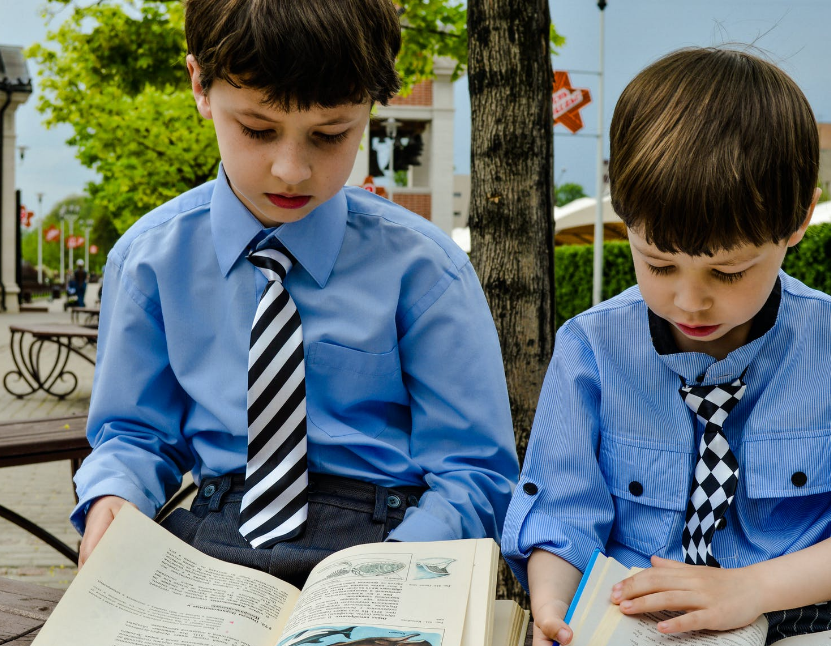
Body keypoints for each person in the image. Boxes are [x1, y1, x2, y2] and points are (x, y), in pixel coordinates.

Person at [71, 0, 519, 588]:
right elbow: (134, 431)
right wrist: (114, 494)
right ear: (200, 86)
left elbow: (473, 470)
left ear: (368, 109)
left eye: (331, 135)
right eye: (257, 129)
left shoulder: (425, 271)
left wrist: (400, 564)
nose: (291, 170)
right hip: (213, 527)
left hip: (389, 535)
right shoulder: (150, 261)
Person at [501, 47, 831, 646]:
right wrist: (554, 606)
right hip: (629, 620)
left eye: (729, 272)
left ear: (799, 220)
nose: (689, 302)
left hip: (796, 618)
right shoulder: (592, 349)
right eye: (658, 264)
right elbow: (561, 515)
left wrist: (754, 588)